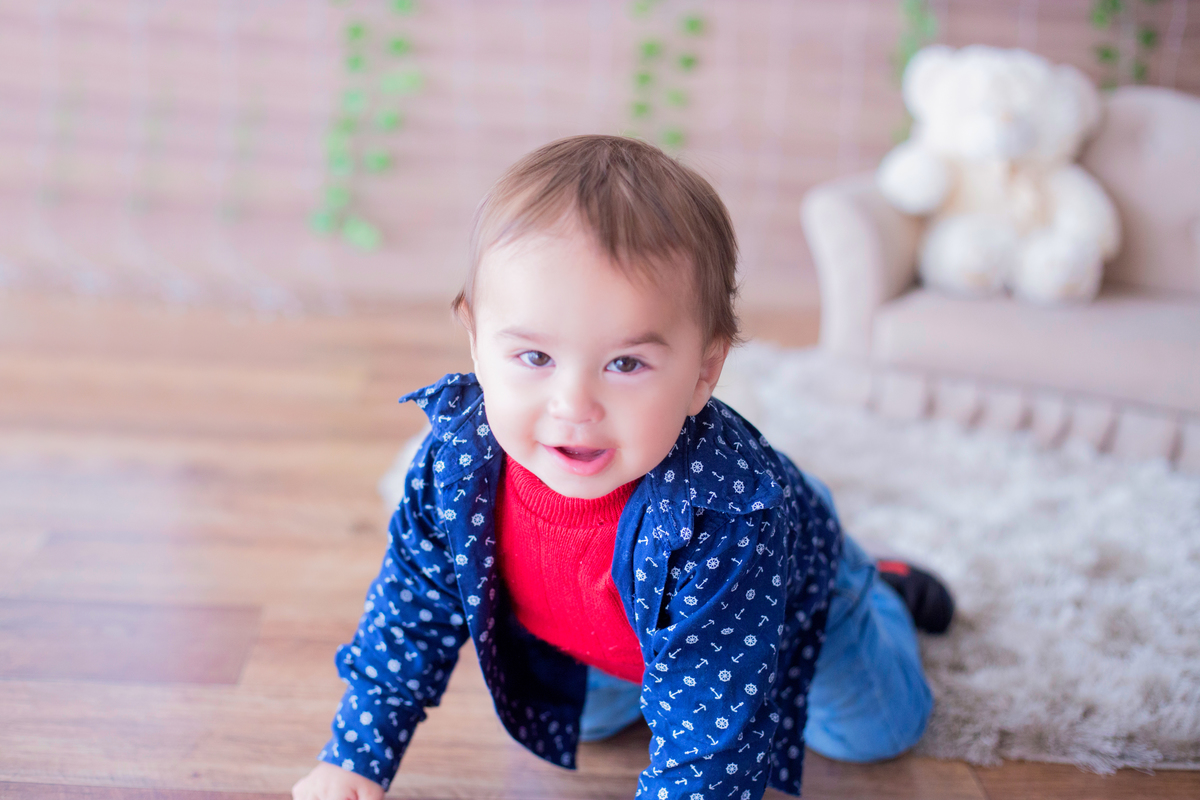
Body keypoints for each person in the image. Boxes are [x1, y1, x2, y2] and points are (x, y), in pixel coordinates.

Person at [292, 135, 954, 800]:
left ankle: (873, 585)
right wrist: (355, 756)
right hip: (605, 628)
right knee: (579, 725)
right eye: (534, 357)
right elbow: (409, 611)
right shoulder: (457, 462)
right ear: (475, 341)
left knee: (873, 732)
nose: (574, 405)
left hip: (780, 599)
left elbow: (713, 737)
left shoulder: (721, 517)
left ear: (704, 372)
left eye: (626, 363)